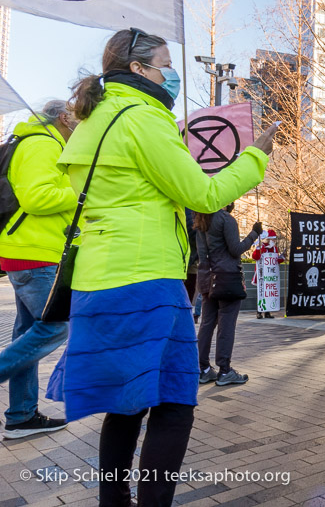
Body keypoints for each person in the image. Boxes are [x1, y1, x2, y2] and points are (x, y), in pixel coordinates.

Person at [45, 28, 276, 507]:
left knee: (127, 405)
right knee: (174, 402)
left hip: (99, 279)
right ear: (138, 69)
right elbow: (206, 194)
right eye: (165, 64)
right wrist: (256, 157)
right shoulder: (142, 120)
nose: (170, 73)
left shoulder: (96, 121)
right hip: (144, 280)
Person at [0, 101, 77, 439]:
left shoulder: (40, 142)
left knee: (28, 333)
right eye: (78, 115)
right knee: (56, 328)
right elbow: (37, 198)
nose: (81, 122)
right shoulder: (42, 143)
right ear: (64, 117)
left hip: (30, 250)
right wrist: (83, 193)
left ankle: (21, 415)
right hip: (35, 252)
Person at [196, 205, 260, 386]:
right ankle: (225, 371)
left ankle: (204, 369)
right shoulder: (225, 219)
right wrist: (254, 233)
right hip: (226, 277)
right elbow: (236, 249)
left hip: (206, 277)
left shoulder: (200, 217)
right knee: (226, 324)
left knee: (207, 324)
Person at [252, 228, 284, 319]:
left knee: (268, 293)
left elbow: (275, 261)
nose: (274, 241)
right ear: (268, 239)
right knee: (261, 292)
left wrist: (282, 258)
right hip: (262, 274)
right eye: (273, 239)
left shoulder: (274, 248)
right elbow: (255, 257)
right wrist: (258, 249)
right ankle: (259, 311)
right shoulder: (261, 246)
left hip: (270, 274)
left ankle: (267, 312)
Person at [184, 208, 201, 323]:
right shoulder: (189, 208)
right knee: (187, 291)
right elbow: (192, 231)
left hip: (191, 256)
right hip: (188, 257)